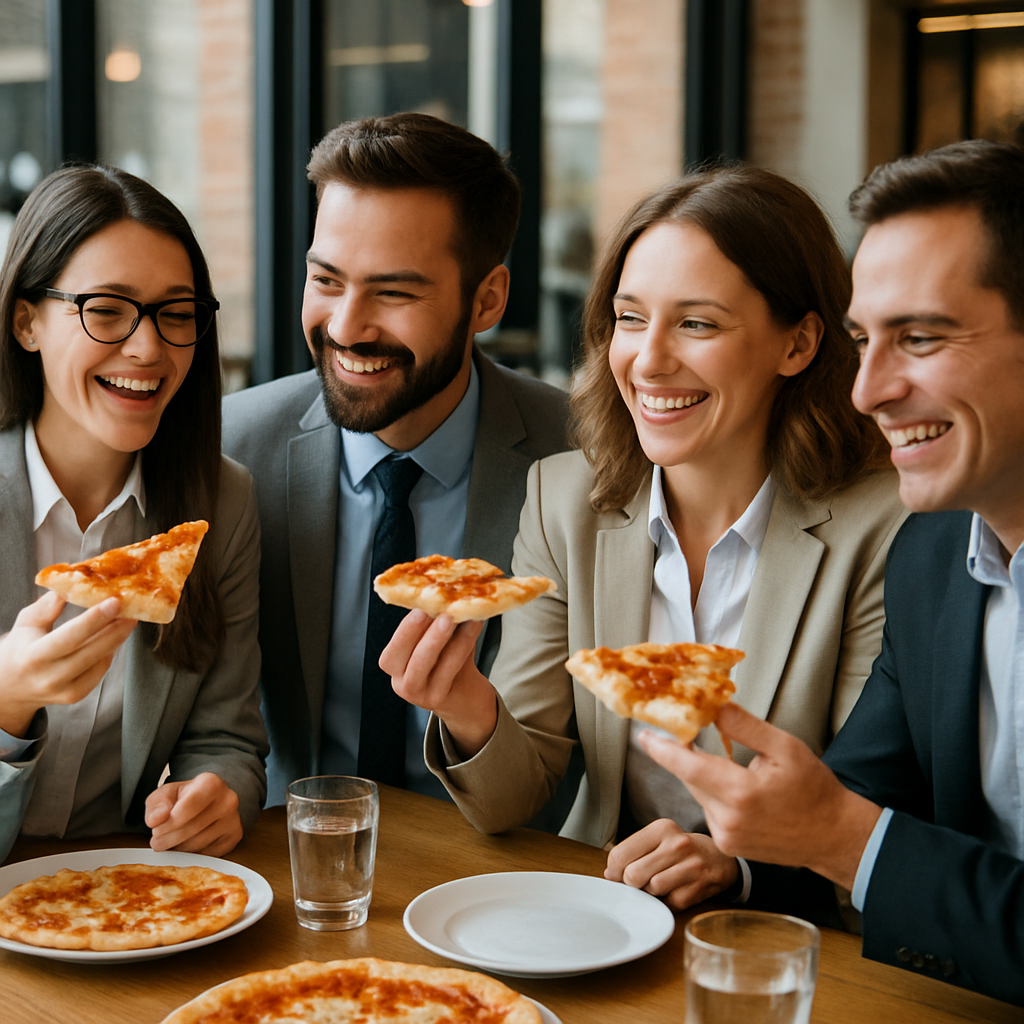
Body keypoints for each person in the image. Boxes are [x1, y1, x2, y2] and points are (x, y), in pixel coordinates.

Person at [381, 165, 906, 906]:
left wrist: (737, 866)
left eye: (697, 323)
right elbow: (511, 800)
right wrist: (466, 705)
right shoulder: (565, 500)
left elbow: (862, 806)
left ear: (798, 344)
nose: (649, 360)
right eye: (630, 318)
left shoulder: (885, 527)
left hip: (784, 933)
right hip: (605, 910)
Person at [639, 139, 1024, 1005]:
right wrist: (736, 865)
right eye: (864, 340)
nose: (867, 389)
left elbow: (852, 828)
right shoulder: (934, 553)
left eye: (920, 337)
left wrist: (841, 837)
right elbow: (852, 797)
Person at [222, 112, 570, 806]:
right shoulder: (233, 449)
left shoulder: (584, 459)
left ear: (487, 300)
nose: (347, 327)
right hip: (290, 854)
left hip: (502, 872)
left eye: (394, 292)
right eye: (326, 280)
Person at [0, 165, 268, 863]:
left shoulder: (222, 504)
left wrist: (218, 793)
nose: (148, 348)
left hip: (121, 902)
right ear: (27, 321)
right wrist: (5, 703)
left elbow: (228, 738)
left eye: (175, 314)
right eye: (107, 309)